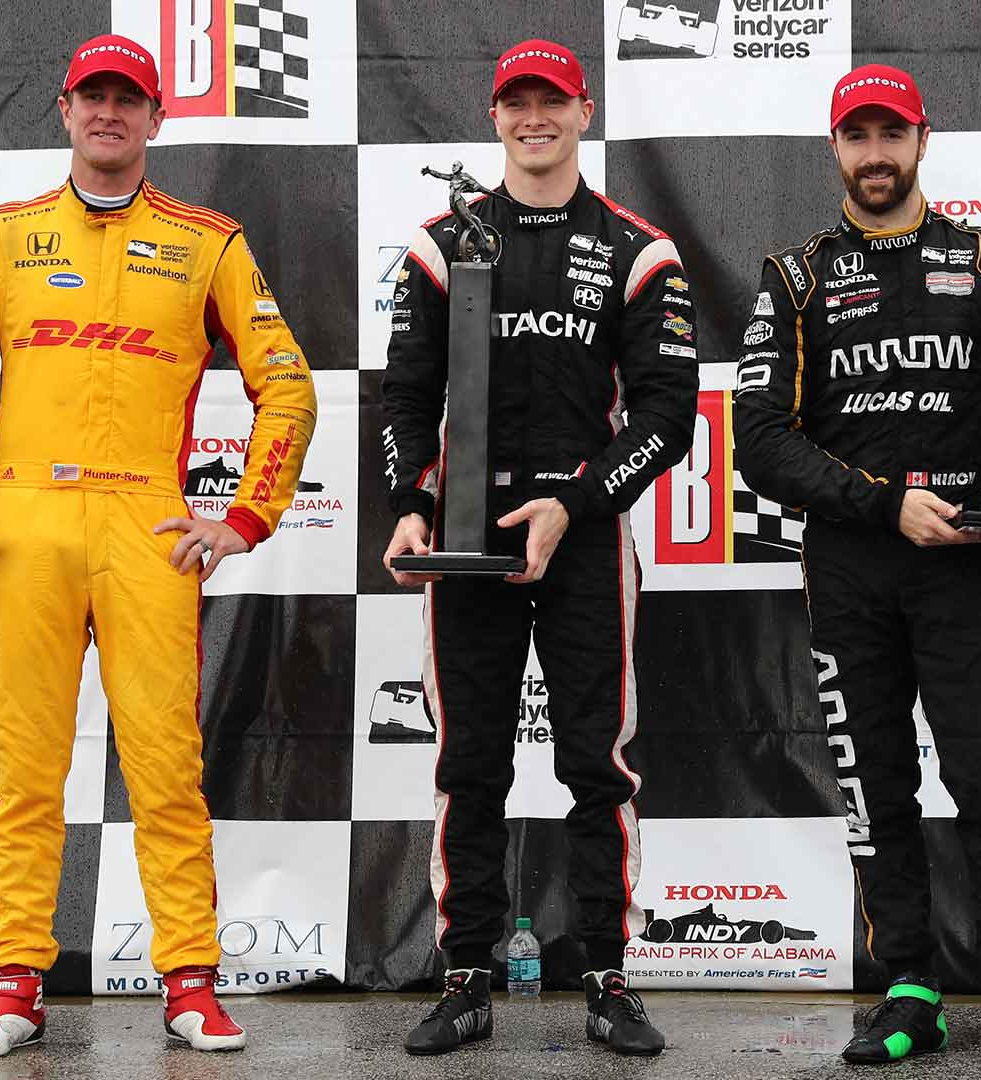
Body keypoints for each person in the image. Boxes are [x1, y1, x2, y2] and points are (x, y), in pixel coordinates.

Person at [0, 34, 317, 1061]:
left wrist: (239, 518)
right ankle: (14, 985)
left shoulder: (209, 240)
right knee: (24, 769)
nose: (109, 114)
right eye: (92, 97)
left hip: (149, 530)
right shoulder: (1, 236)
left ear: (157, 117)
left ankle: (190, 981)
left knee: (166, 767)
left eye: (128, 99)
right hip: (28, 531)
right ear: (63, 109)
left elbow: (288, 384)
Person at [731, 65, 981, 1071]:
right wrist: (881, 503)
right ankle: (908, 988)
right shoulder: (798, 275)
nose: (876, 153)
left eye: (891, 133)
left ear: (923, 140)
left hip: (959, 567)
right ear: (833, 149)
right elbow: (757, 439)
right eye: (857, 136)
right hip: (849, 567)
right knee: (875, 783)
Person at [380, 38, 697, 1059]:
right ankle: (467, 974)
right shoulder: (439, 244)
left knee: (597, 766)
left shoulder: (639, 246)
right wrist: (408, 506)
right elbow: (404, 397)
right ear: (494, 117)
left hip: (587, 538)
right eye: (516, 103)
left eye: (550, 102)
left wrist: (579, 502)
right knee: (469, 764)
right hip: (465, 546)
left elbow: (667, 411)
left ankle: (607, 976)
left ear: (583, 111)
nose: (533, 119)